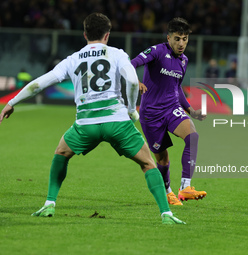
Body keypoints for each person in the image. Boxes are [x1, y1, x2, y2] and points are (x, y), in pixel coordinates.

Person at [0, 13, 185, 225]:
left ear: (85, 34)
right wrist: (132, 109)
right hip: (117, 122)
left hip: (85, 124)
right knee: (148, 164)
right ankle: (166, 214)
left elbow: (39, 84)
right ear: (107, 35)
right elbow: (133, 81)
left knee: (61, 153)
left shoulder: (73, 59)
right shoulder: (117, 54)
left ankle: (49, 203)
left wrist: (12, 102)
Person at [131, 17, 206, 206]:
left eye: (185, 39)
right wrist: (136, 81)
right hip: (151, 115)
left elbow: (177, 88)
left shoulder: (184, 60)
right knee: (162, 160)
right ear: (169, 38)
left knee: (193, 136)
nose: (181, 44)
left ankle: (185, 187)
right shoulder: (157, 51)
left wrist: (190, 110)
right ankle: (167, 191)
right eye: (177, 39)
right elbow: (132, 64)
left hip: (172, 109)